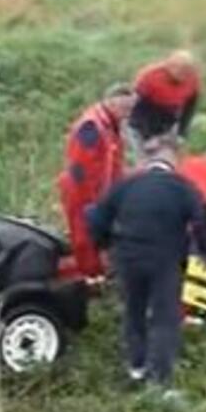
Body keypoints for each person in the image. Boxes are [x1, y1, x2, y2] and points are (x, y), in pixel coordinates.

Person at [86, 135, 206, 389]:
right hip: (165, 260)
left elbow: (96, 215)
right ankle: (159, 380)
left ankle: (136, 367)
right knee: (164, 317)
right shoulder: (183, 187)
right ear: (174, 159)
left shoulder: (126, 185)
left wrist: (104, 244)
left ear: (147, 159)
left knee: (133, 311)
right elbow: (203, 218)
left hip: (129, 257)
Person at [57, 84, 137, 279]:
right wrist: (92, 202)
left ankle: (93, 275)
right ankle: (85, 280)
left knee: (95, 240)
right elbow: (80, 169)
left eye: (130, 110)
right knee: (84, 241)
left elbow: (112, 165)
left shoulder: (110, 125)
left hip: (100, 194)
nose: (127, 115)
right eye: (125, 109)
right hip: (82, 194)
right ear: (111, 102)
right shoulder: (92, 126)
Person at [130, 50, 201, 143]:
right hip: (145, 115)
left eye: (186, 71)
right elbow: (134, 106)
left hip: (169, 118)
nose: (183, 74)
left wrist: (181, 133)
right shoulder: (150, 76)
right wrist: (145, 135)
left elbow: (189, 109)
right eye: (180, 69)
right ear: (170, 66)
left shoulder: (193, 79)